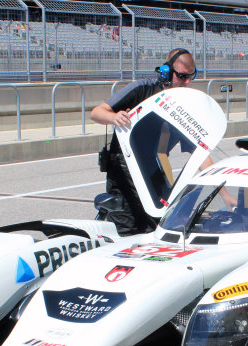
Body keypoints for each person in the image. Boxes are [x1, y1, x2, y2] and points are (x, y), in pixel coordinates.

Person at [90, 48, 212, 236]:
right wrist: (113, 117)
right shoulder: (142, 89)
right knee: (126, 228)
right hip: (123, 168)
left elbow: (199, 151)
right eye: (181, 76)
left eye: (190, 77)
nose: (186, 82)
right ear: (165, 71)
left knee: (157, 225)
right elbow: (97, 112)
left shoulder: (181, 105)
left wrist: (224, 191)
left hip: (151, 170)